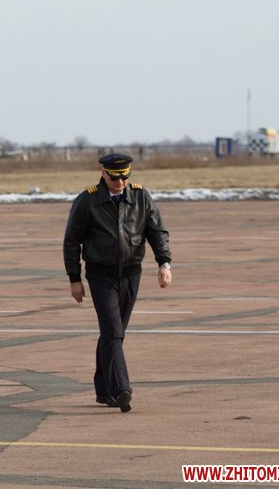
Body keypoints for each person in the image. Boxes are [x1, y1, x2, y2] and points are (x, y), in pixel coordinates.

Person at [63, 154, 172, 413]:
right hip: (101, 275)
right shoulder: (87, 200)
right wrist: (74, 278)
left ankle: (102, 389)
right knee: (113, 331)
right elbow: (71, 241)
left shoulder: (141, 197)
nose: (120, 182)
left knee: (114, 332)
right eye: (115, 177)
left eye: (125, 176)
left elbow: (157, 232)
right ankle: (121, 390)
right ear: (103, 173)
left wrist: (164, 263)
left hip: (131, 274)